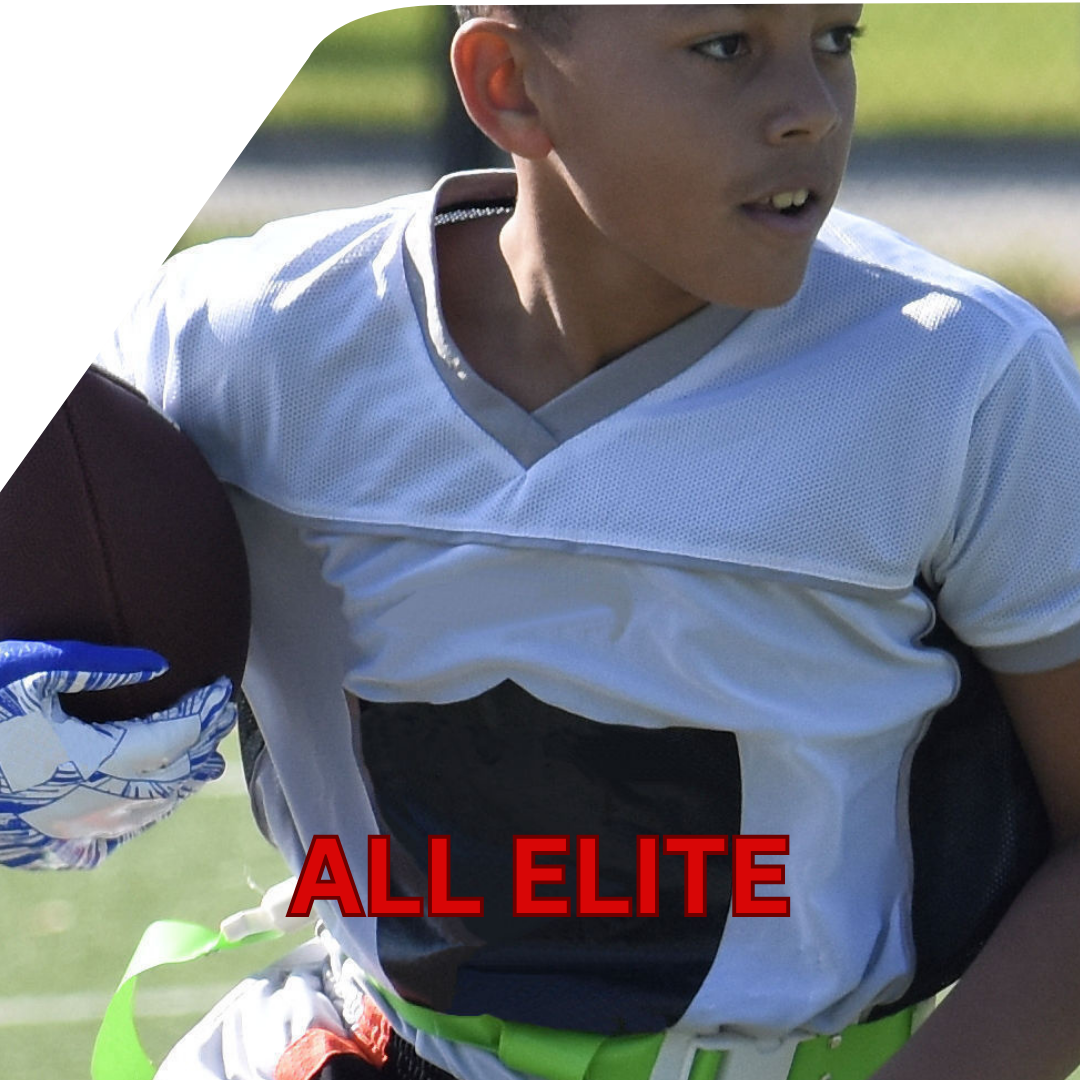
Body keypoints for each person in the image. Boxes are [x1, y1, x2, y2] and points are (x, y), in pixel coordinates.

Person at [2, 6, 1079, 1080]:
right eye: (726, 47)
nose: (810, 112)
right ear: (509, 82)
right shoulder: (239, 342)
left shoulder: (958, 384)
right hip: (368, 1045)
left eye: (835, 40)